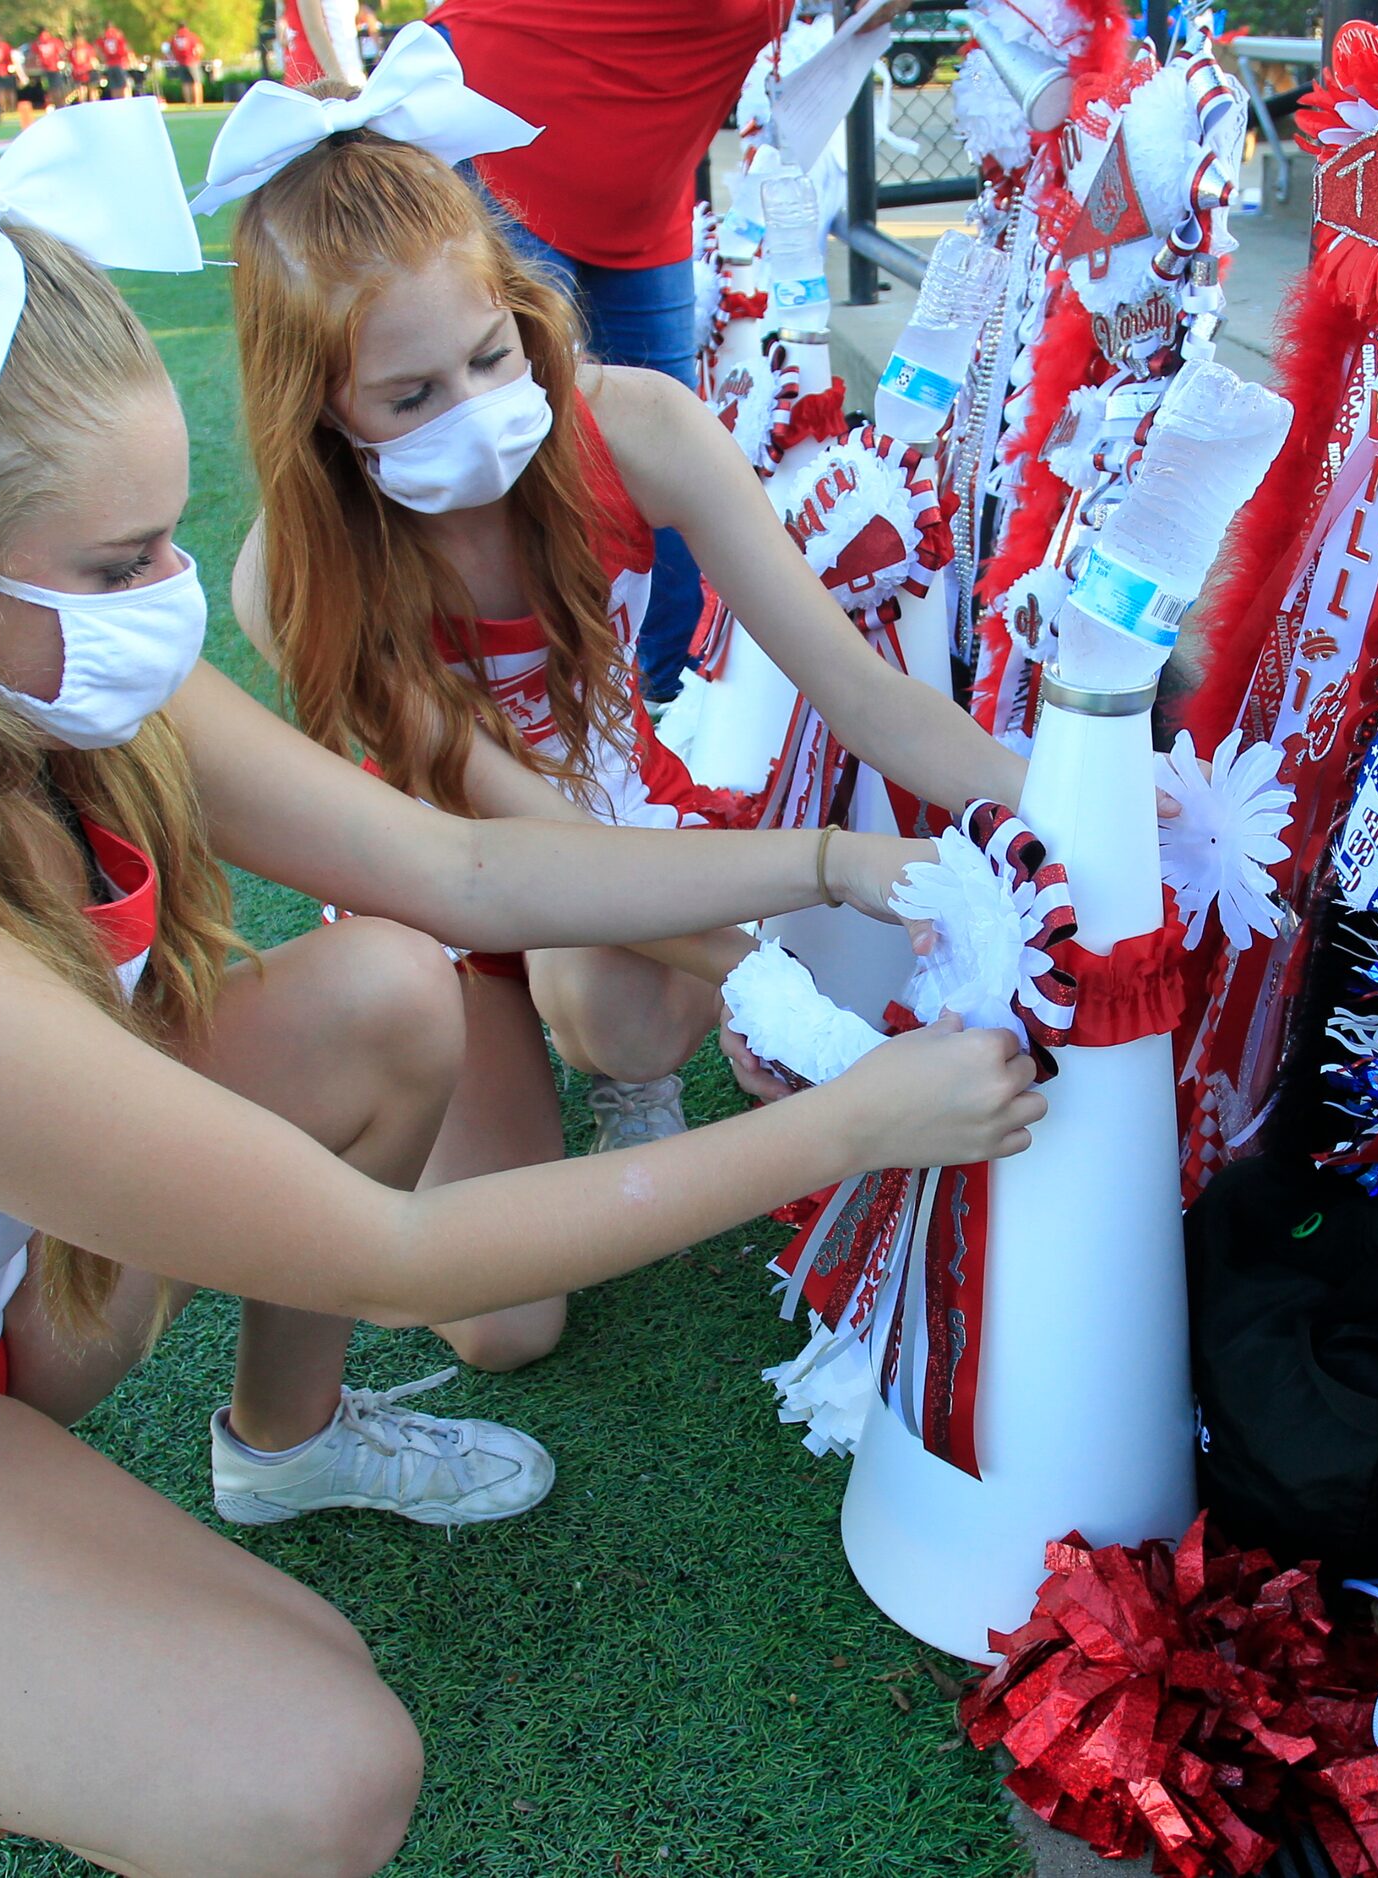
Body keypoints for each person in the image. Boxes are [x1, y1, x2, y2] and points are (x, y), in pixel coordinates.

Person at [0, 88, 1037, 1874]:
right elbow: (386, 1251)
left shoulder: (22, 656)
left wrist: (838, 863)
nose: (173, 596)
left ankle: (277, 1447)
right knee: (317, 1769)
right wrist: (862, 1115)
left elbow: (458, 871)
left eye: (164, 534)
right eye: (114, 559)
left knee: (388, 988)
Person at [203, 44, 1034, 1374]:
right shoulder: (293, 575)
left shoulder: (636, 425)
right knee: (500, 1330)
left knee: (624, 1014)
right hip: (445, 896)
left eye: (488, 355)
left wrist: (1048, 809)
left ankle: (625, 1078)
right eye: (410, 398)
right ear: (319, 417)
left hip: (615, 834)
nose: (475, 413)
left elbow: (862, 690)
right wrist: (770, 988)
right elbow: (503, 847)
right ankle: (402, 1103)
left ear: (522, 308)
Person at [425, 0, 848, 703]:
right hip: (509, 138)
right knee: (521, 448)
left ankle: (671, 698)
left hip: (644, 195)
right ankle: (521, 707)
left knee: (668, 447)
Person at [167, 21, 206, 105]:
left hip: (181, 62)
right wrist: (198, 57)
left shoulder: (175, 37)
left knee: (185, 84)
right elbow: (198, 48)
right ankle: (198, 103)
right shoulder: (191, 36)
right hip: (192, 61)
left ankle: (188, 103)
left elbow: (169, 50)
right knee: (196, 82)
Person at [96, 18, 133, 99]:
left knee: (114, 88)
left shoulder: (103, 36)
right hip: (119, 63)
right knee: (123, 86)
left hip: (109, 64)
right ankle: (125, 102)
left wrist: (103, 58)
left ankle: (116, 102)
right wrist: (129, 59)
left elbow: (98, 49)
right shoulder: (118, 34)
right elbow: (125, 47)